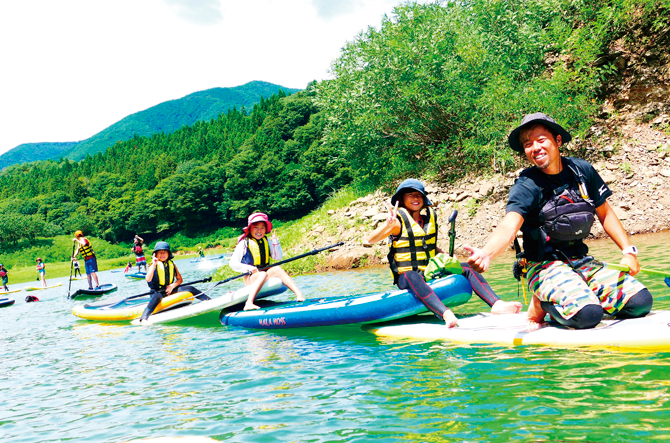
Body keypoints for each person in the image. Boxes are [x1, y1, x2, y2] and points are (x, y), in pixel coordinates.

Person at [465, 112, 652, 330]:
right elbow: (509, 225)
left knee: (640, 303)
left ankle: (580, 293)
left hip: (582, 262)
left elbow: (606, 213)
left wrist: (629, 252)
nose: (535, 147)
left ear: (558, 141)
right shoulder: (527, 185)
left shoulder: (582, 171)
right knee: (588, 316)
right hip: (544, 266)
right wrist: (487, 253)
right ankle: (542, 302)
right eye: (528, 144)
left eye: (541, 140)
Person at [365, 179, 522, 327]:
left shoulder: (428, 220)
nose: (415, 198)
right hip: (407, 278)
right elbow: (370, 240)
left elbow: (430, 248)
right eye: (410, 194)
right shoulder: (397, 222)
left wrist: (446, 257)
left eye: (419, 194)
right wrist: (386, 225)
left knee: (466, 267)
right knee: (411, 275)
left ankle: (496, 304)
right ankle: (445, 313)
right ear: (402, 198)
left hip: (428, 273)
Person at [229, 212, 305, 310]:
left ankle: (299, 295)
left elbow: (278, 257)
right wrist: (249, 268)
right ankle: (249, 302)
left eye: (262, 228)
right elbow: (233, 263)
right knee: (262, 274)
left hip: (264, 272)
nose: (259, 230)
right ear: (250, 228)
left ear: (266, 229)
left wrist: (275, 242)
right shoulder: (244, 243)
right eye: (256, 227)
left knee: (277, 268)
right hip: (251, 277)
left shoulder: (267, 240)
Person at [139, 241, 205, 322]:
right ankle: (144, 318)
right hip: (157, 292)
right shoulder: (152, 266)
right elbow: (148, 279)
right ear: (155, 254)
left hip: (170, 290)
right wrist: (154, 264)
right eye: (160, 252)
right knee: (156, 297)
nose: (162, 254)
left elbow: (180, 279)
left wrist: (172, 286)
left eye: (165, 252)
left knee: (190, 288)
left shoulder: (172, 264)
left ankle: (209, 301)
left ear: (168, 254)